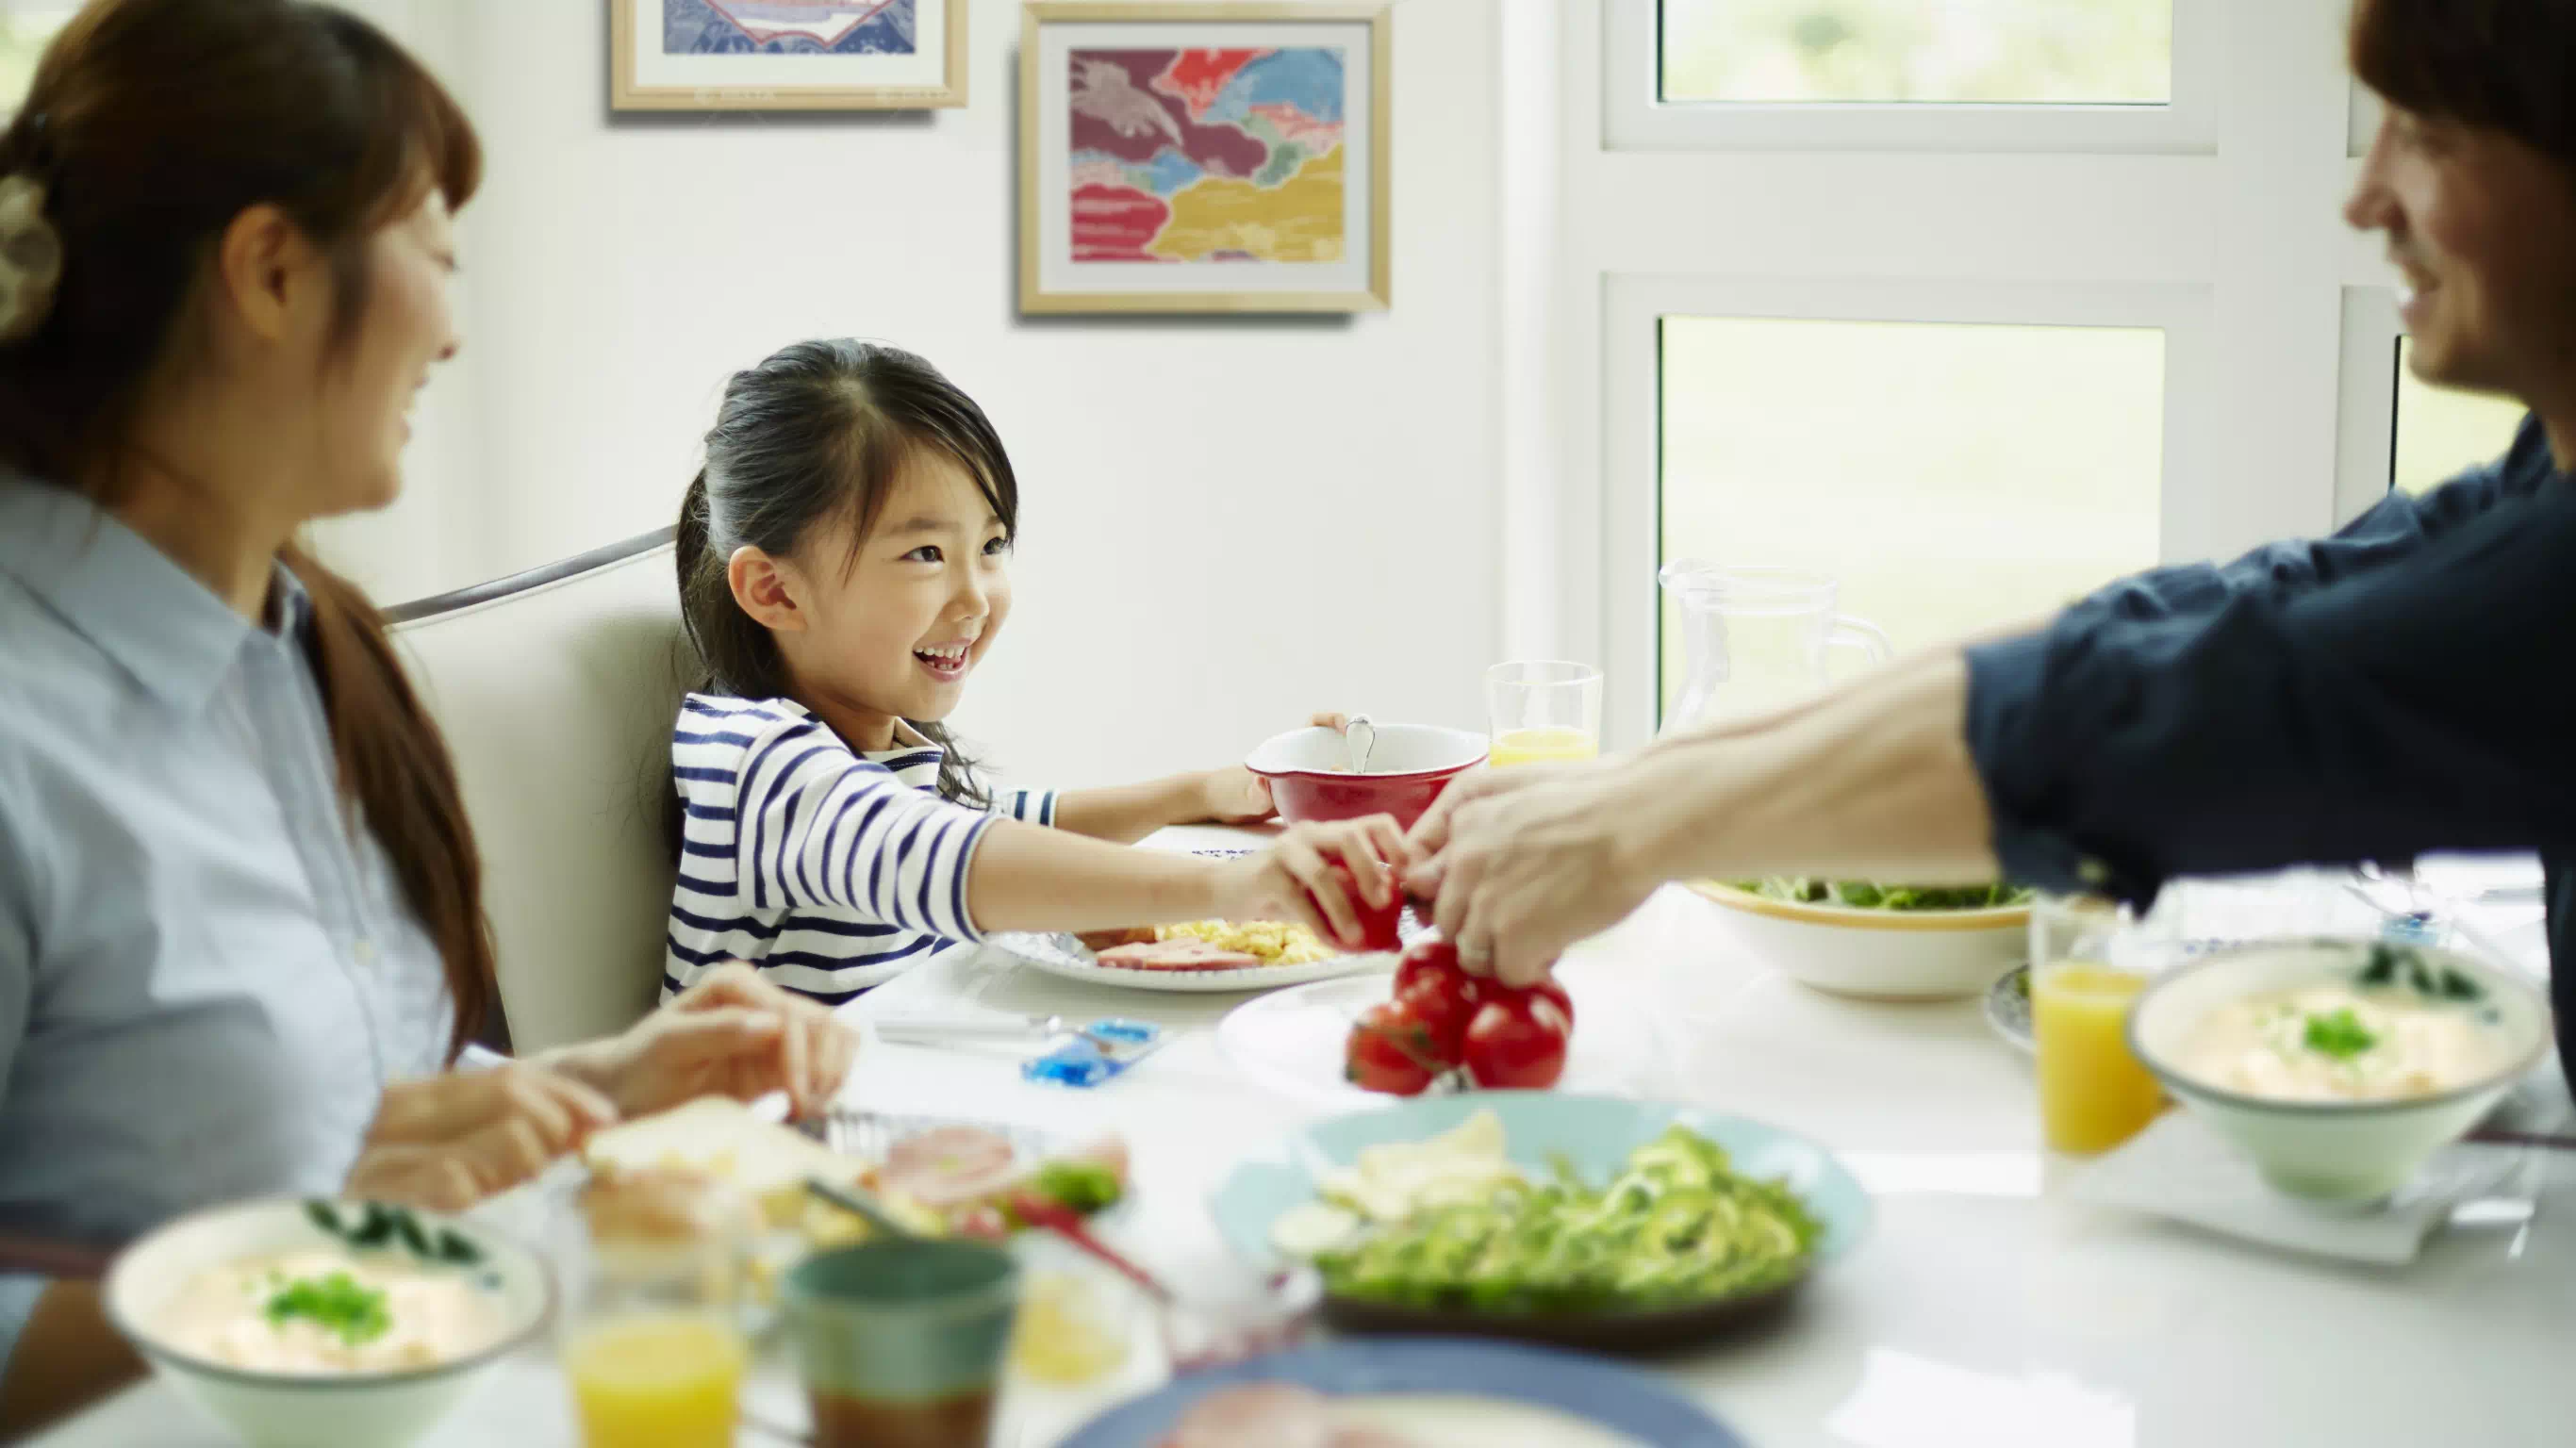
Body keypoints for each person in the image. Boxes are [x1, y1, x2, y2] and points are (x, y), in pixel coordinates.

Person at [1408, 0, 2576, 1104]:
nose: (2363, 196)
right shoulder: (2546, 471)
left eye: (2423, 135)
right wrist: (1633, 785)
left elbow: (2170, 712)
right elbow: (2203, 623)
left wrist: (1632, 830)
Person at [0, 2, 852, 1430]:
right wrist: (263, 1268)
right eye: (438, 255)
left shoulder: (298, 656)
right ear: (271, 271)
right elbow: (301, 1202)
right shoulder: (32, 733)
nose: (455, 328)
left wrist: (599, 1082)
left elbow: (344, 1100)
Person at [668, 338, 1410, 1003]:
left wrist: (1200, 793)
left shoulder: (876, 746)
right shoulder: (753, 756)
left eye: (991, 547)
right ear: (775, 590)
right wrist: (1233, 886)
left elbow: (999, 818)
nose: (976, 599)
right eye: (925, 554)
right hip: (744, 1144)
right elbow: (945, 854)